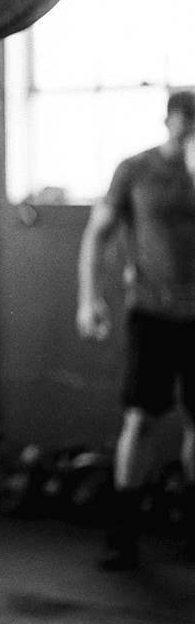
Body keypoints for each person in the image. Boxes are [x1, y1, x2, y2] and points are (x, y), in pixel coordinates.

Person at [77, 89, 195, 570]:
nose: (187, 132)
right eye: (183, 123)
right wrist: (89, 298)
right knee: (140, 420)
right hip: (151, 315)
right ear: (168, 122)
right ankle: (123, 534)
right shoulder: (135, 170)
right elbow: (97, 234)